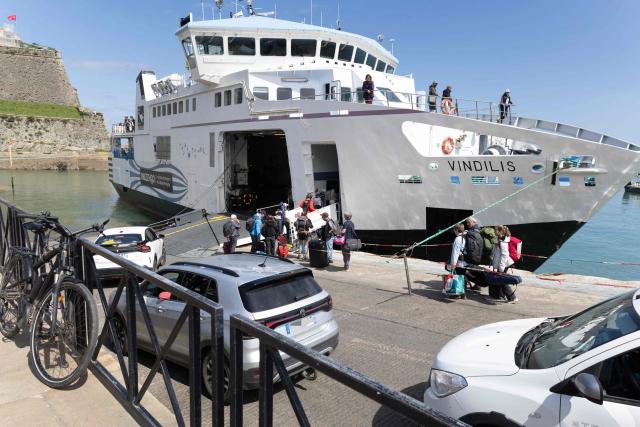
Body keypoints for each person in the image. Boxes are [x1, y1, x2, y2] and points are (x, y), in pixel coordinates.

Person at [490, 225, 517, 303]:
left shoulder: (503, 242)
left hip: (504, 264)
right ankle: (500, 296)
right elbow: (496, 253)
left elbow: (504, 255)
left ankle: (512, 297)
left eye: (496, 230)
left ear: (499, 231)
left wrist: (501, 268)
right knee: (499, 280)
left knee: (502, 281)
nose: (495, 232)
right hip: (501, 263)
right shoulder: (499, 239)